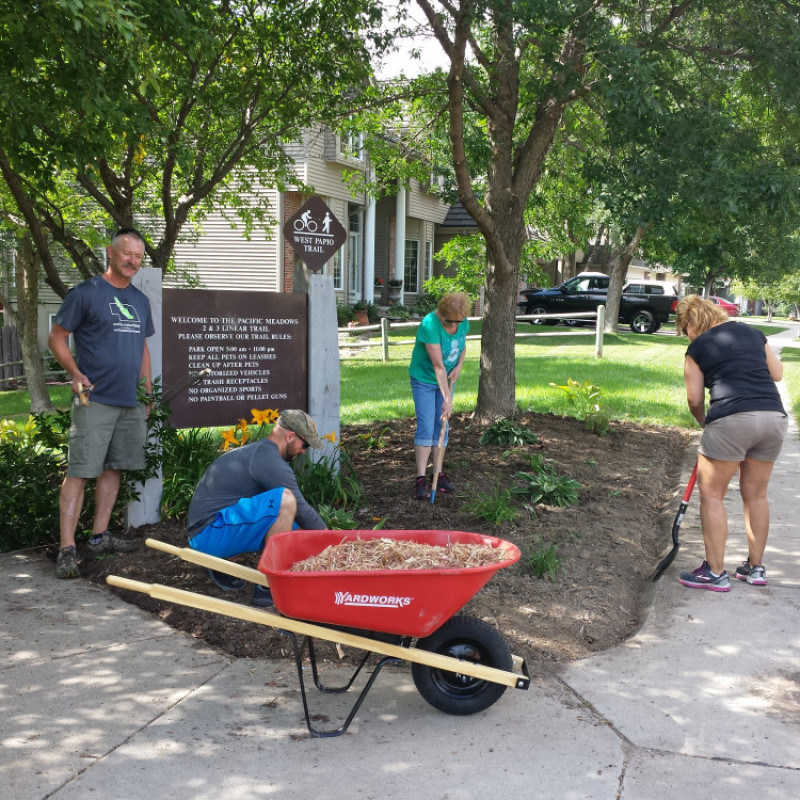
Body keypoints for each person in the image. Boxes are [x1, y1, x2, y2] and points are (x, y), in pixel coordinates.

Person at [48, 228, 154, 579]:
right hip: (92, 399)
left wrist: (147, 389)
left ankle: (98, 536)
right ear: (110, 252)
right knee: (80, 471)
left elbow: (142, 348)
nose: (133, 261)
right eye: (127, 254)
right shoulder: (86, 293)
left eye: (138, 256)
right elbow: (57, 337)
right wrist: (75, 372)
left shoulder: (140, 301)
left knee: (114, 467)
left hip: (128, 400)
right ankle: (67, 549)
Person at [674, 295, 787, 591]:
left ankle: (715, 572)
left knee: (712, 494)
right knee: (757, 495)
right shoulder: (752, 333)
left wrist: (703, 421)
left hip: (732, 419)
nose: (686, 335)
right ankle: (755, 568)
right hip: (773, 418)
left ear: (689, 323)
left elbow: (694, 398)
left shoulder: (697, 348)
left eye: (684, 329)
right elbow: (777, 374)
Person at [186, 409, 327, 607]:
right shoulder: (268, 459)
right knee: (286, 501)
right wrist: (333, 545)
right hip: (207, 536)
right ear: (290, 436)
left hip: (208, 532)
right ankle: (268, 585)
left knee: (294, 526)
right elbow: (302, 509)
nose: (303, 451)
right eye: (305, 445)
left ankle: (219, 565)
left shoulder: (261, 452)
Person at [408, 291, 470, 500]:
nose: (453, 325)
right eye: (449, 321)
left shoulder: (462, 321)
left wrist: (459, 366)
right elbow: (438, 366)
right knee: (426, 426)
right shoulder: (429, 325)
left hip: (447, 378)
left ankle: (438, 474)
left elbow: (462, 346)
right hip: (425, 380)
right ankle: (420, 479)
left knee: (441, 425)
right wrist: (447, 399)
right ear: (442, 313)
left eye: (457, 322)